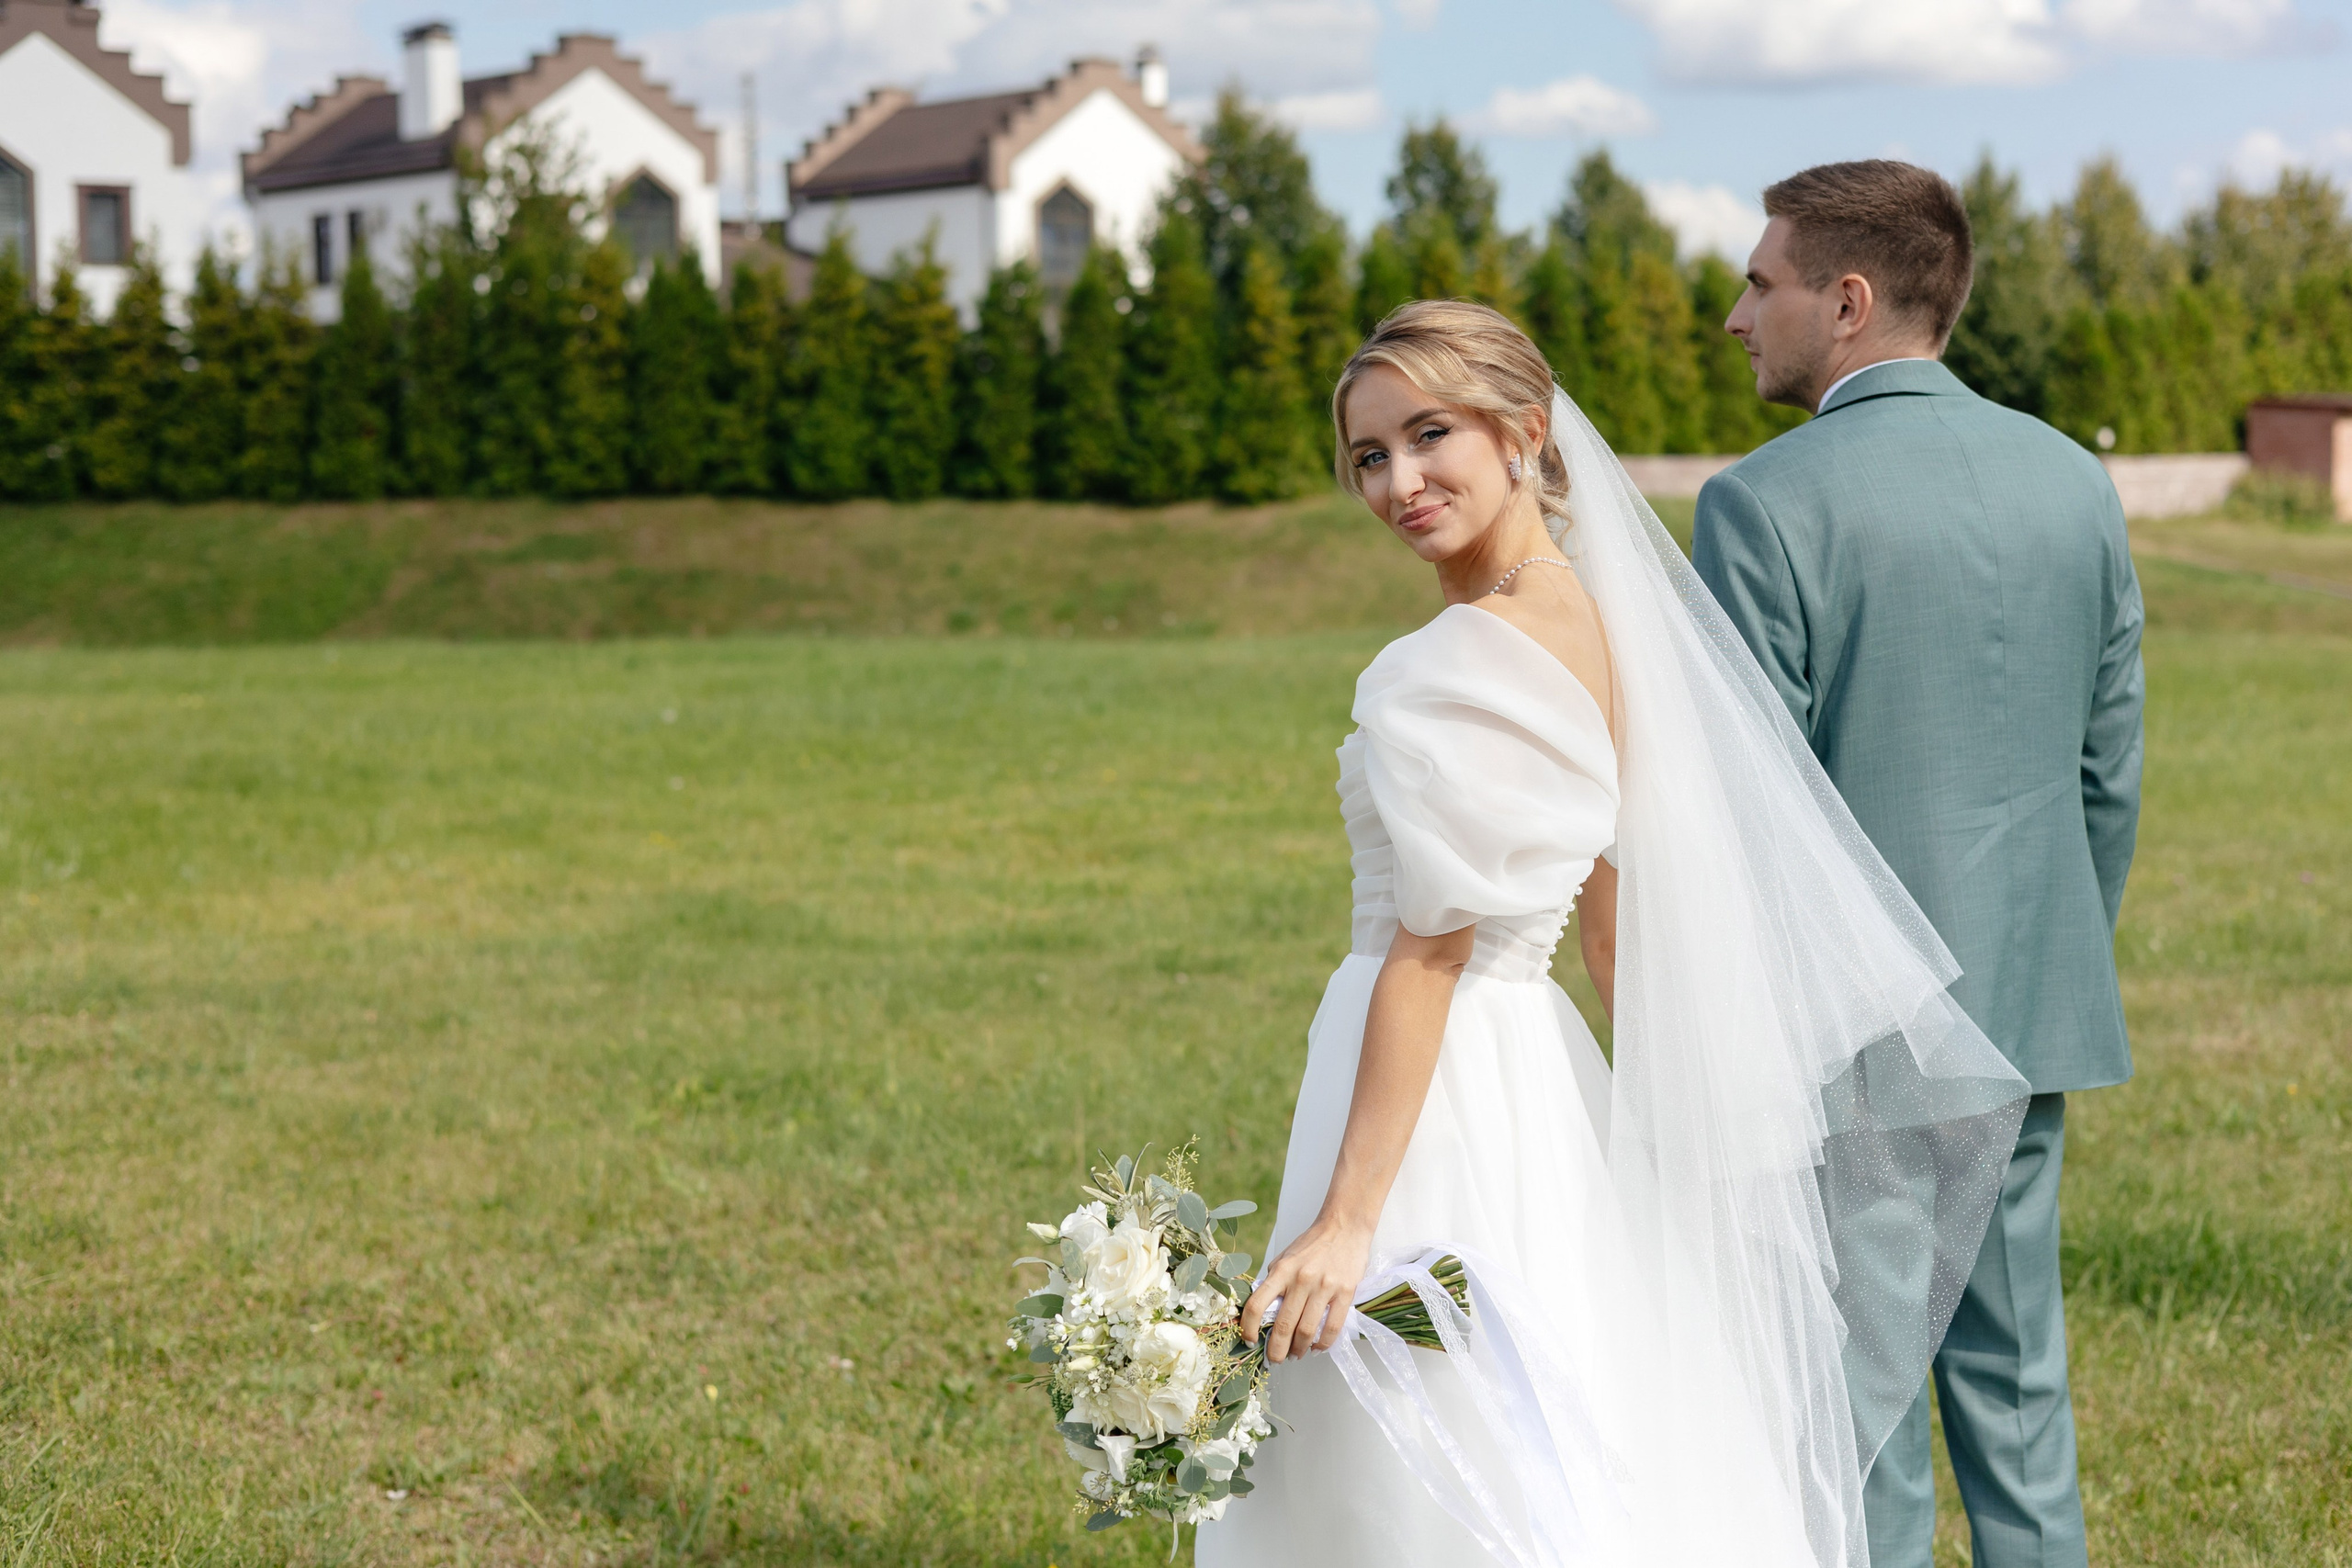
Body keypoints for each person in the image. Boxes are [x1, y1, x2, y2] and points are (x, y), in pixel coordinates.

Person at [1194, 299, 2030, 1568]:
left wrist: (1350, 1217)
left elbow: (1432, 949)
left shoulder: (1449, 660)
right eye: (1369, 455)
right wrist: (1665, 1137)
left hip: (1436, 1082)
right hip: (1537, 1079)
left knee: (1410, 1423)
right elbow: (1612, 927)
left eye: (1431, 436)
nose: (1399, 482)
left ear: (1524, 432)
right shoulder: (1600, 624)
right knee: (1562, 1407)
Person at [1693, 160, 2145, 1568]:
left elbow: (1743, 817)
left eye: (1758, 283)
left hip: (1855, 1043)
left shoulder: (1761, 505)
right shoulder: (2076, 483)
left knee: (1863, 1421)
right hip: (2030, 1012)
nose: (1734, 316)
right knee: (2018, 1405)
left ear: (1848, 299)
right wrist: (2043, 953)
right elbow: (2106, 774)